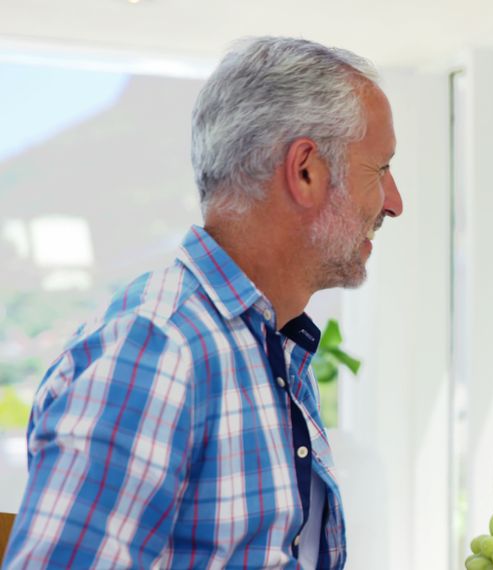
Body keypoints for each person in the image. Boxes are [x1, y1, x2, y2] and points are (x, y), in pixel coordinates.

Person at [3, 36, 402, 569]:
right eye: (380, 170)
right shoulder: (157, 350)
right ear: (306, 169)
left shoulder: (269, 346)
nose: (394, 203)